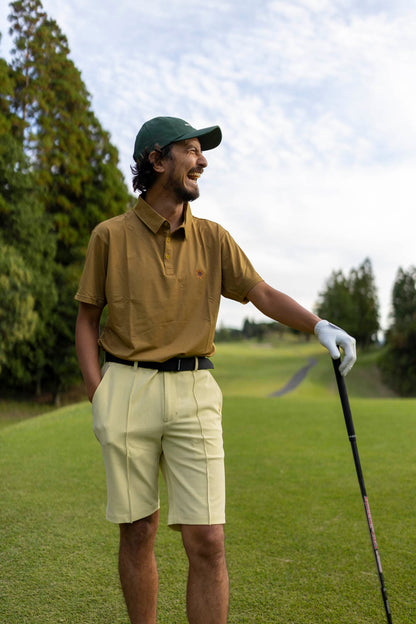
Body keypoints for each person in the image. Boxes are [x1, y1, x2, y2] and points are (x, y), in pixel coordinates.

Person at [75, 116, 356, 624]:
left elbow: (262, 293)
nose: (202, 160)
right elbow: (87, 318)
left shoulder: (213, 237)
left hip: (195, 391)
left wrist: (318, 325)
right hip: (126, 389)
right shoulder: (109, 237)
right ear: (156, 160)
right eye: (190, 150)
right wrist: (98, 393)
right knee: (137, 532)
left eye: (202, 152)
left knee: (208, 540)